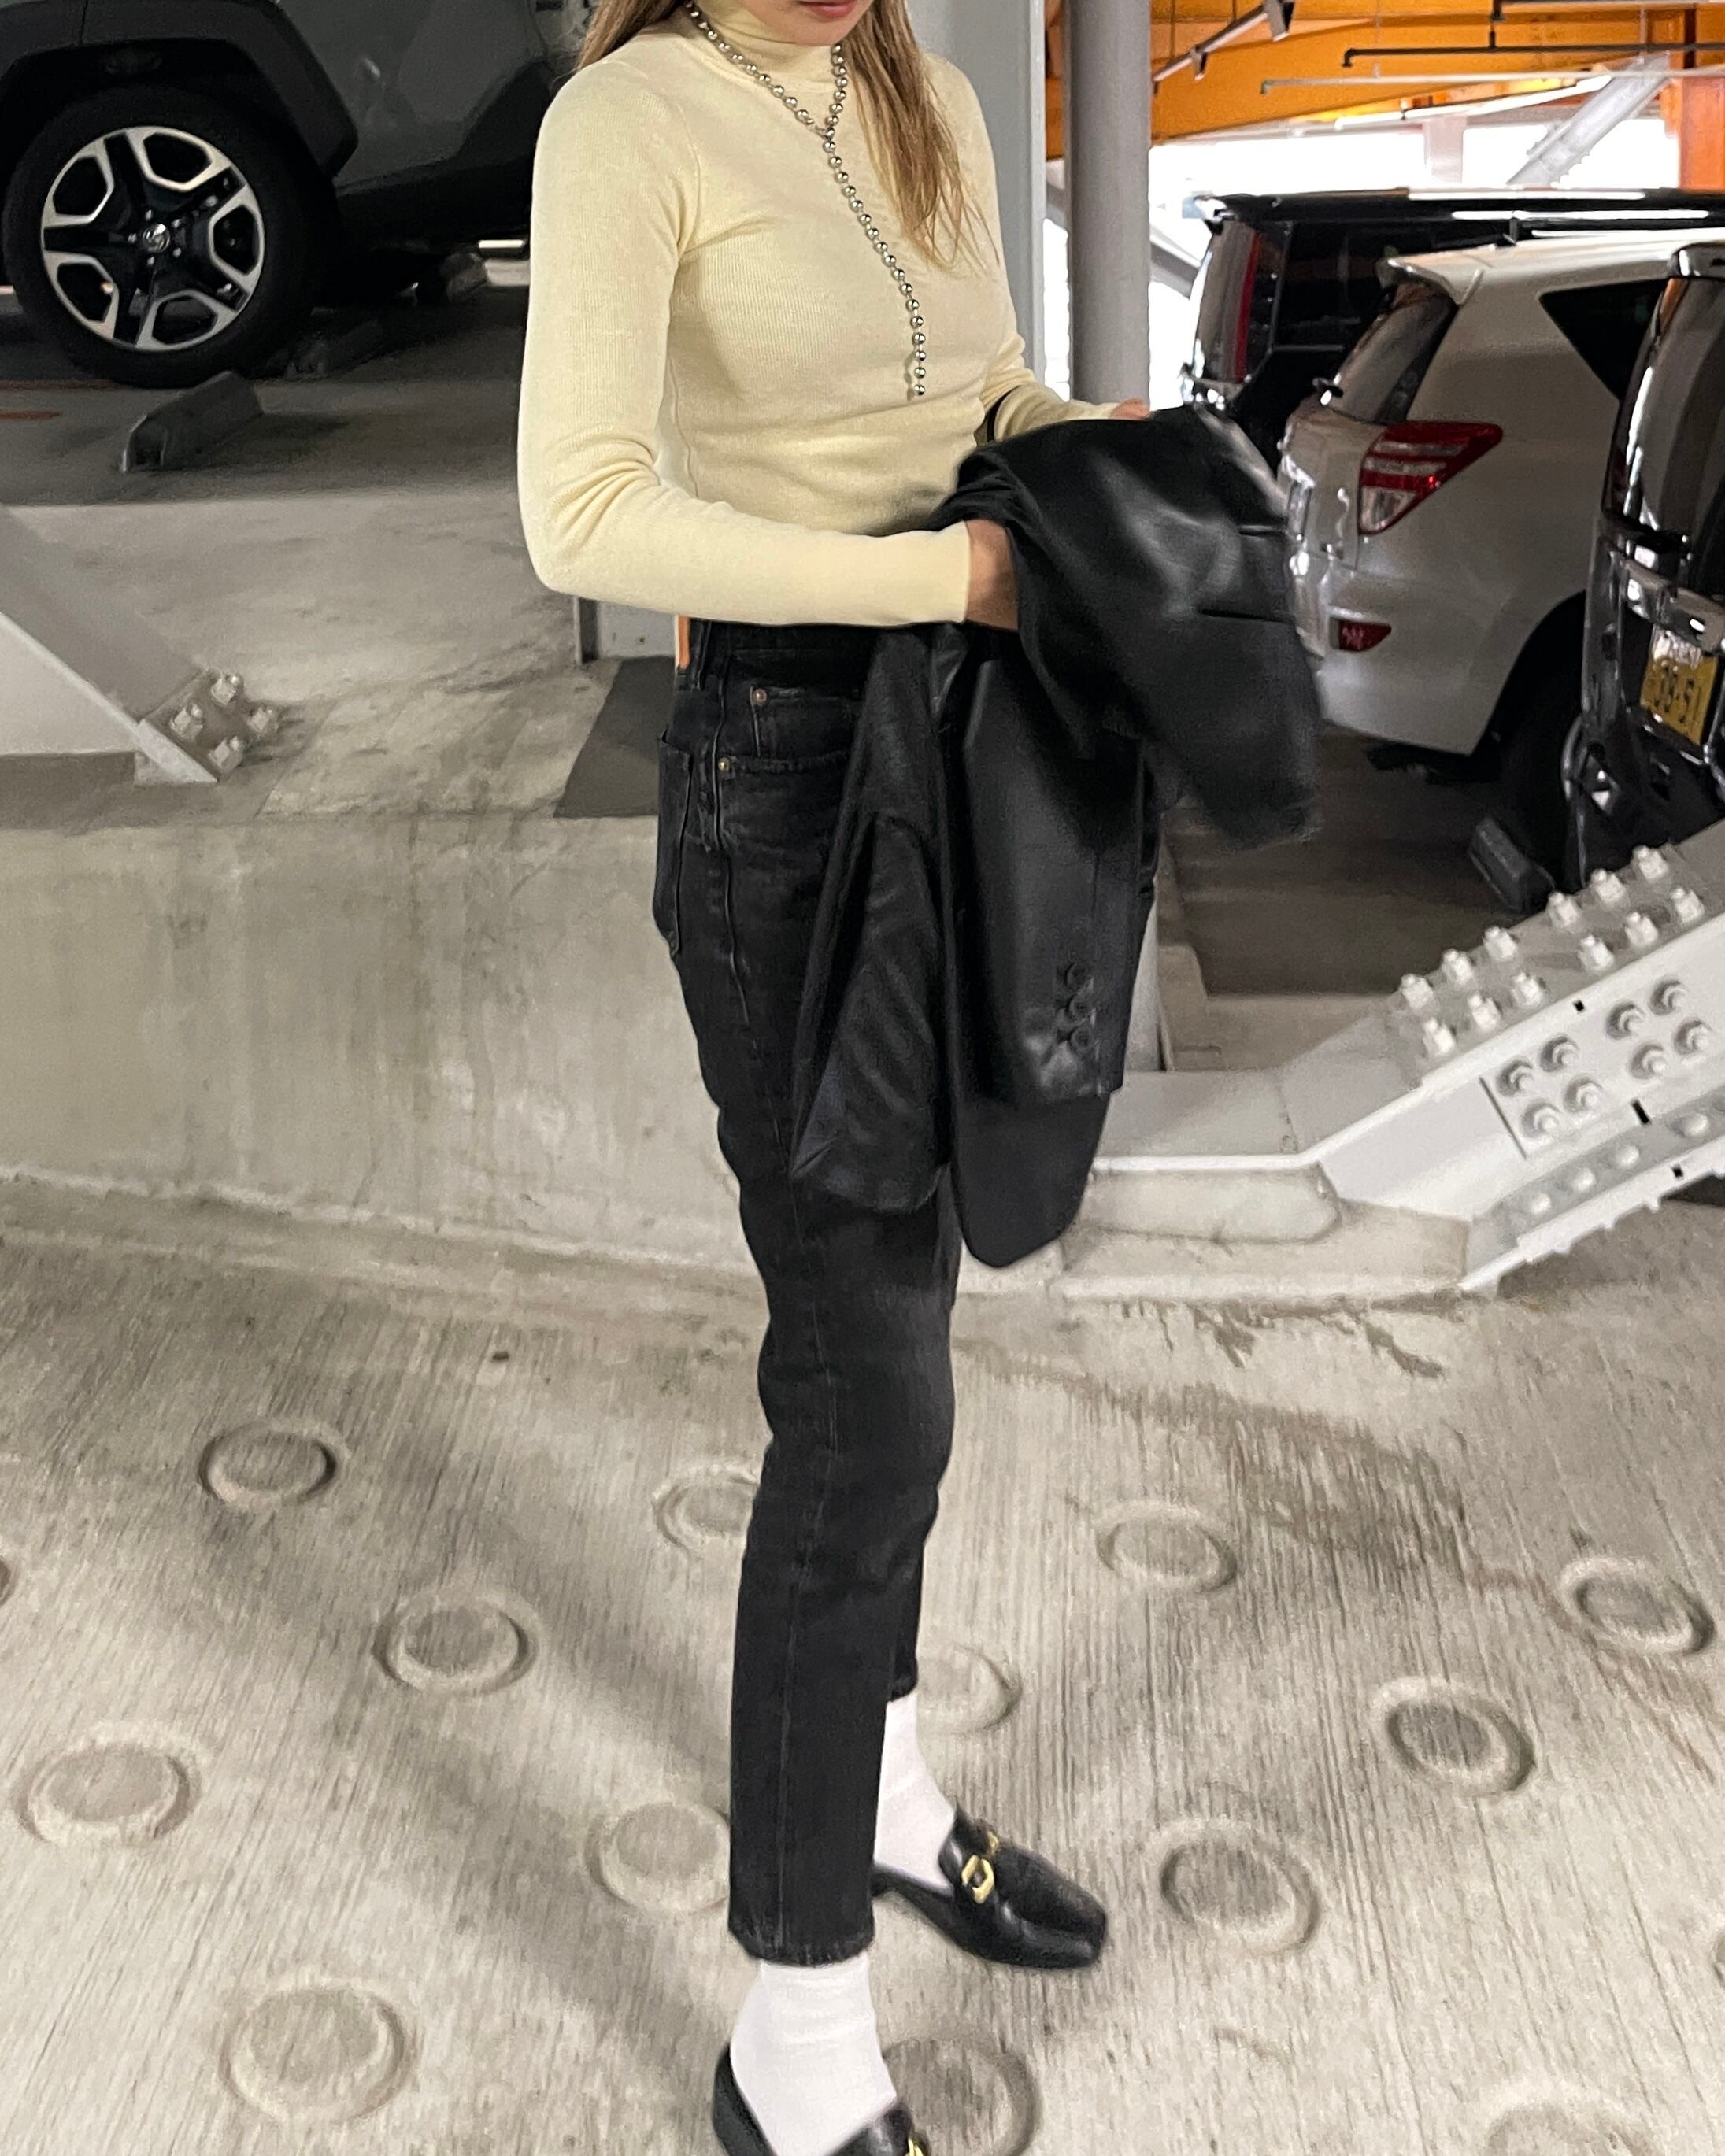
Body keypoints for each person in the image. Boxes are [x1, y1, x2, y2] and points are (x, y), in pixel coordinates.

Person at [517, 6, 1149, 2151]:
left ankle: (874, 1789)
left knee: (913, 1313)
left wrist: (1096, 453)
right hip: (784, 788)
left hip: (959, 755)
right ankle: (792, 2036)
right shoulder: (627, 120)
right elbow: (582, 514)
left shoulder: (919, 86)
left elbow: (977, 393)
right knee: (865, 1389)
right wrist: (950, 575)